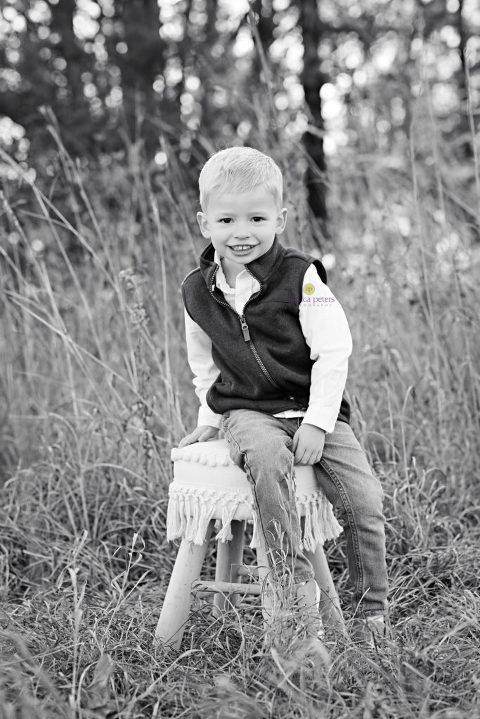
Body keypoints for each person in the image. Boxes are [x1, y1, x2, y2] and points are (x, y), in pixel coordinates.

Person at [178, 146, 388, 645]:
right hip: (247, 410)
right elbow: (203, 361)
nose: (242, 232)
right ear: (205, 224)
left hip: (313, 408)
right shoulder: (197, 291)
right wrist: (209, 416)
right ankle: (292, 594)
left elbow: (333, 350)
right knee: (267, 459)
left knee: (365, 499)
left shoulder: (301, 276)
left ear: (281, 218)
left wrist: (317, 422)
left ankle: (371, 616)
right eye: (226, 220)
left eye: (256, 218)